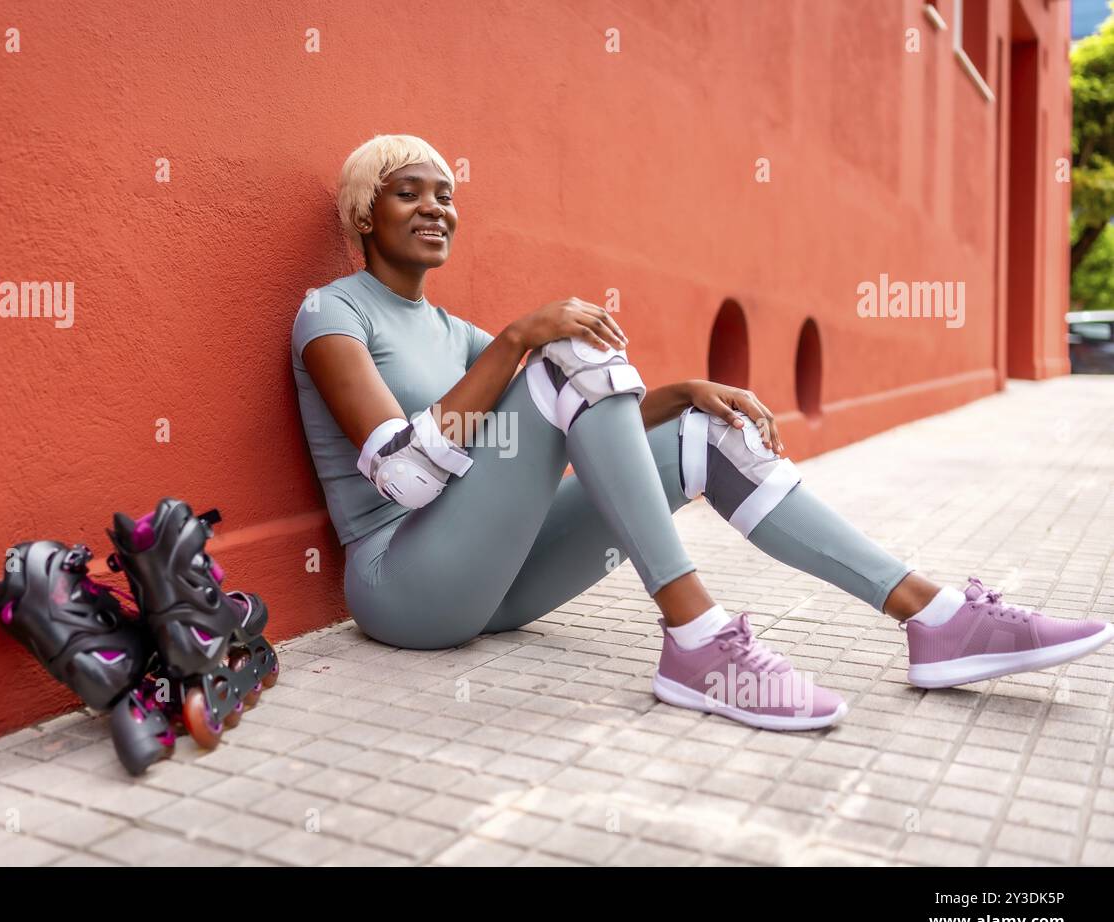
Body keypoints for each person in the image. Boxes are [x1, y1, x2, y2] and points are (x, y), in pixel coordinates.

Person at [289, 134, 1113, 731]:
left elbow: (570, 423)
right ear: (365, 211)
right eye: (409, 191)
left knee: (698, 433)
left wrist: (682, 395)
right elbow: (403, 478)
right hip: (407, 588)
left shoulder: (457, 332)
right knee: (567, 348)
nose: (435, 206)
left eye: (446, 193)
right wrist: (519, 339)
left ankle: (933, 618)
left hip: (497, 583)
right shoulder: (333, 314)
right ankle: (697, 640)